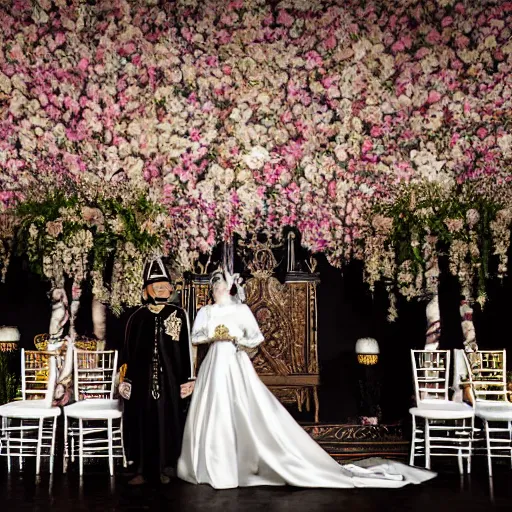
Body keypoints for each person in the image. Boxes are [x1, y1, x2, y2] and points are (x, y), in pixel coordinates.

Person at [177, 267, 435, 490]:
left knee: (240, 406)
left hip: (234, 361)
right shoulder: (206, 312)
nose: (218, 290)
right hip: (214, 363)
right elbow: (196, 337)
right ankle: (211, 463)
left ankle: (242, 461)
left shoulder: (241, 310)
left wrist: (235, 338)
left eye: (222, 286)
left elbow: (255, 338)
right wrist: (215, 335)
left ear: (229, 288)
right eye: (216, 287)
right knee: (213, 408)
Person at [119, 257, 195, 485]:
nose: (162, 289)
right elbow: (127, 352)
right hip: (141, 379)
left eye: (165, 285)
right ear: (146, 291)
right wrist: (126, 380)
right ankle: (141, 468)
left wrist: (188, 379)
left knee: (167, 419)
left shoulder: (179, 315)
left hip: (170, 379)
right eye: (157, 285)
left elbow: (186, 349)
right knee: (142, 420)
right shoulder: (136, 318)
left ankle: (166, 466)